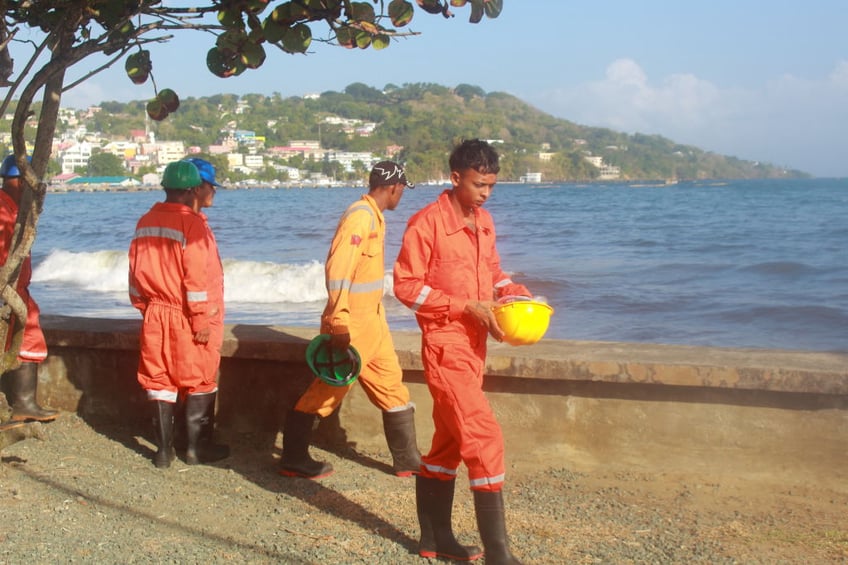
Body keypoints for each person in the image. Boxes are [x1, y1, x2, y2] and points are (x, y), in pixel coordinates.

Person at [393, 140, 531, 564]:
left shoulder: (484, 221)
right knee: (484, 437)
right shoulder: (426, 223)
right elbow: (406, 287)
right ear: (455, 178)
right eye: (478, 184)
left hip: (475, 345)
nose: (485, 193)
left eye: (491, 185)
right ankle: (498, 553)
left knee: (448, 443)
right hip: (444, 345)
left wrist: (515, 294)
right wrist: (462, 306)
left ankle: (434, 540)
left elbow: (492, 273)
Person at [279, 161, 420, 480]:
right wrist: (339, 322)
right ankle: (293, 458)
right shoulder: (361, 216)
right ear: (394, 187)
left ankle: (408, 460)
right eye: (402, 191)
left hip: (373, 323)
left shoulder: (375, 216)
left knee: (392, 386)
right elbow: (338, 269)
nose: (402, 197)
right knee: (327, 391)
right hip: (351, 326)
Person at [128, 158, 229, 469]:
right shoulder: (193, 225)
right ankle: (197, 448)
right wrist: (200, 319)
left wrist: (145, 308)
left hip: (155, 313)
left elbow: (135, 272)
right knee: (199, 377)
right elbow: (196, 278)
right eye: (210, 187)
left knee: (158, 378)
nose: (212, 192)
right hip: (186, 314)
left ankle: (163, 451)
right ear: (192, 191)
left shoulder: (146, 220)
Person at [0, 154, 59, 424]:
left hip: (14, 290)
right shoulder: (4, 209)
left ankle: (23, 403)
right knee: (26, 339)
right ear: (22, 181)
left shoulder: (12, 206)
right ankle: (24, 402)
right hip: (8, 292)